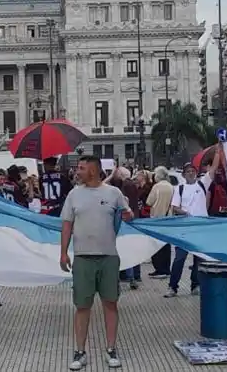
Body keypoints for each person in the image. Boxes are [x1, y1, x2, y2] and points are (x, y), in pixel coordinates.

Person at [60, 155, 133, 370]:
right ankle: (80, 352)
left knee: (110, 304)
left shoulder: (114, 193)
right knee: (82, 306)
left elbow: (129, 214)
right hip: (83, 258)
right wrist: (63, 253)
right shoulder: (73, 195)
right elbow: (66, 226)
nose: (77, 171)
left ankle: (111, 349)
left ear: (93, 170)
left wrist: (129, 215)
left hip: (108, 257)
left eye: (81, 168)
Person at [165, 155, 223, 298]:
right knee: (179, 258)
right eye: (188, 171)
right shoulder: (179, 189)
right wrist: (185, 213)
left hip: (200, 228)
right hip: (185, 229)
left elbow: (214, 168)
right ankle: (172, 286)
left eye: (193, 170)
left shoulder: (203, 184)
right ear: (184, 175)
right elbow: (174, 208)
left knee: (198, 258)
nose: (191, 173)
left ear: (196, 173)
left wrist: (218, 152)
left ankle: (195, 285)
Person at [146, 167, 174, 278]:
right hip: (168, 219)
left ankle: (159, 269)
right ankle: (167, 269)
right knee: (166, 245)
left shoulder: (156, 187)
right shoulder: (171, 187)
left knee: (155, 245)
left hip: (156, 219)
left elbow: (149, 201)